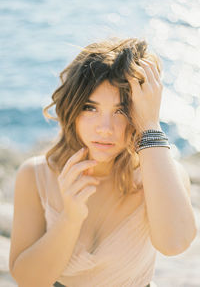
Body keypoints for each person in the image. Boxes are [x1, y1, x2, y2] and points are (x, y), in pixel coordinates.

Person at [9, 37, 197, 287]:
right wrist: (70, 218)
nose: (105, 129)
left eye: (121, 110)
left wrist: (150, 126)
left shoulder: (158, 174)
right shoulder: (36, 175)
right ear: (71, 108)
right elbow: (27, 280)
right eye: (90, 107)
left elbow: (175, 243)